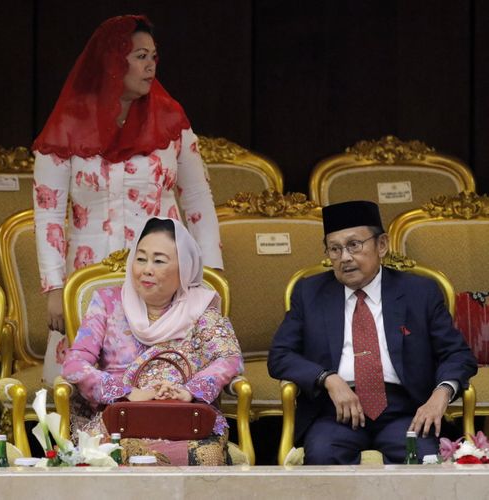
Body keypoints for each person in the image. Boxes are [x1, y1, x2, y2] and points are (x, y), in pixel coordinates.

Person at [33, 15, 223, 333]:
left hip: (165, 275)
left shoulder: (171, 119)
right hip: (89, 272)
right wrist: (54, 287)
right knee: (90, 372)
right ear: (112, 62)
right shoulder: (67, 124)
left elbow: (198, 199)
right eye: (140, 57)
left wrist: (212, 273)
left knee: (163, 375)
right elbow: (48, 213)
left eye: (153, 57)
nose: (150, 66)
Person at [267, 200, 477, 464]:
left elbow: (458, 354)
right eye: (335, 249)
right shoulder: (310, 293)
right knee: (321, 456)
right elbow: (280, 355)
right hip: (337, 412)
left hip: (405, 411)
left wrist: (441, 394)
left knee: (424, 459)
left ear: (381, 245)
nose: (344, 257)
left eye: (354, 245)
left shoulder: (419, 292)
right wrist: (328, 379)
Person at [62, 217, 242, 466]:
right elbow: (74, 363)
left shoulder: (199, 308)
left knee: (205, 456)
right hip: (120, 418)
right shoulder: (107, 301)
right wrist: (127, 393)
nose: (146, 269)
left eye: (158, 261)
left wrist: (188, 391)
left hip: (183, 420)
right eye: (141, 258)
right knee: (104, 455)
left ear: (184, 268)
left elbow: (228, 358)